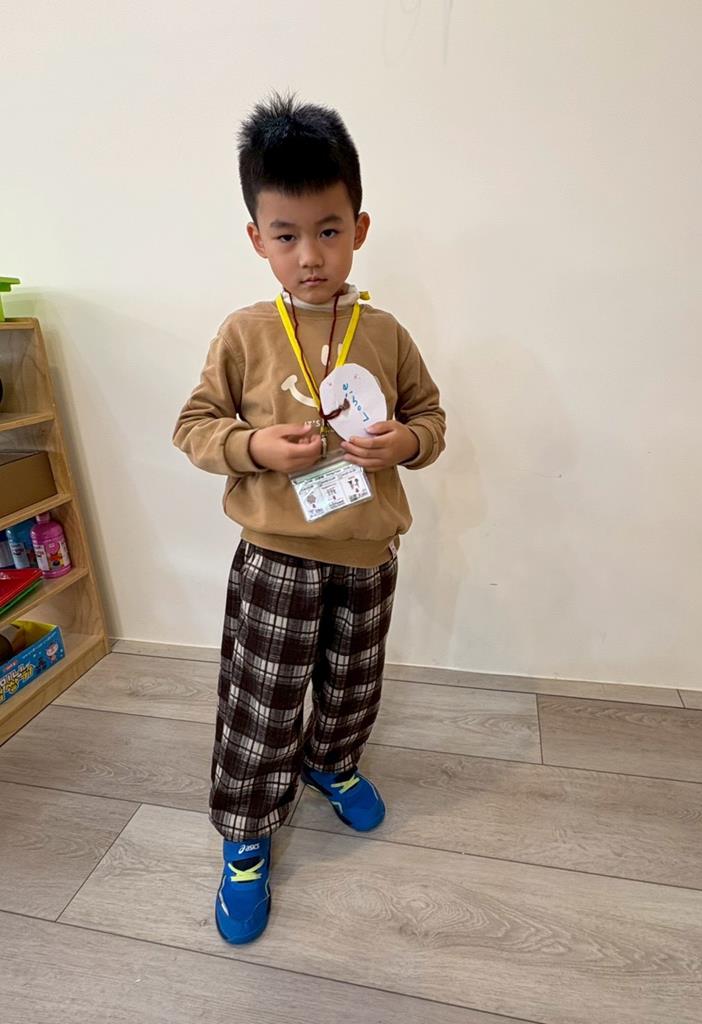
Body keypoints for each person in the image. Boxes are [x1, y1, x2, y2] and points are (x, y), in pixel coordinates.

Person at [173, 93, 446, 945]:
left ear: (358, 228)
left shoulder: (386, 333)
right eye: (286, 235)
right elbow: (193, 427)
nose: (309, 255)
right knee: (262, 701)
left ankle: (332, 763)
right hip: (274, 554)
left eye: (328, 230)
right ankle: (246, 835)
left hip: (368, 552)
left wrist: (406, 440)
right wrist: (255, 446)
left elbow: (431, 419)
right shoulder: (245, 333)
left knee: (352, 683)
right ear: (256, 238)